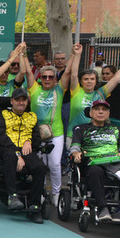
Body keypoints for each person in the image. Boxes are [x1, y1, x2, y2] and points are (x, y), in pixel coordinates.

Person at [69, 99, 120, 223]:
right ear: (90, 113)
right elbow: (74, 147)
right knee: (95, 171)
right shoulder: (81, 129)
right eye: (97, 109)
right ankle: (103, 208)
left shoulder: (115, 129)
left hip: (115, 164)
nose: (101, 112)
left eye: (104, 110)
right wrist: (76, 154)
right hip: (93, 163)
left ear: (108, 113)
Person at [0, 88, 47, 222]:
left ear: (27, 101)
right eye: (17, 100)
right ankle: (12, 195)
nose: (21, 102)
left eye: (23, 100)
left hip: (26, 148)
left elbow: (37, 138)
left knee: (40, 167)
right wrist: (17, 153)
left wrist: (29, 141)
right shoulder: (2, 114)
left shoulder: (32, 116)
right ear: (12, 101)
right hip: (5, 147)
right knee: (11, 156)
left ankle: (35, 205)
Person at [24, 48, 74, 206]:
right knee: (38, 166)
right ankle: (39, 192)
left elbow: (67, 73)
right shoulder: (35, 89)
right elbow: (27, 73)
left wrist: (74, 54)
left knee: (54, 165)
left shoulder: (59, 90)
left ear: (54, 80)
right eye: (44, 76)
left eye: (50, 77)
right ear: (40, 78)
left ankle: (56, 194)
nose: (47, 79)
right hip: (36, 135)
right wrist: (23, 54)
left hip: (56, 133)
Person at [68, 45, 120, 130]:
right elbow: (74, 75)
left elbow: (116, 78)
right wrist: (77, 55)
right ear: (80, 81)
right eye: (86, 79)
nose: (89, 81)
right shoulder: (76, 91)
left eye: (92, 79)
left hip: (94, 135)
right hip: (74, 134)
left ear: (96, 81)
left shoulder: (101, 92)